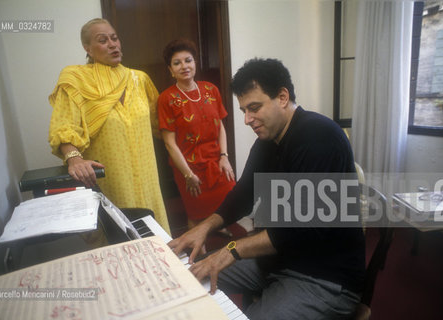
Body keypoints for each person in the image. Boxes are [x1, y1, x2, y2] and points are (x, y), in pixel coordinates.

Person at [169, 58, 365, 319]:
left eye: (254, 108)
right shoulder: (268, 140)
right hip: (280, 260)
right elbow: (243, 195)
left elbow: (298, 230)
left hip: (323, 276)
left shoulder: (320, 137)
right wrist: (204, 228)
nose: (248, 119)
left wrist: (231, 250)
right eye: (243, 111)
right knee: (190, 276)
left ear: (282, 97)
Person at [48, 18, 170, 233]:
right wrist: (73, 159)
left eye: (114, 38)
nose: (113, 44)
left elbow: (162, 124)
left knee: (155, 238)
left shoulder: (139, 79)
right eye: (103, 40)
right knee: (121, 242)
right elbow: (64, 125)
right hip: (112, 180)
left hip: (148, 178)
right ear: (87, 48)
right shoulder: (76, 79)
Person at [158, 39, 236, 229]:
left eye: (188, 60)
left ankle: (221, 235)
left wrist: (224, 157)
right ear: (170, 69)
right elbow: (169, 143)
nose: (184, 66)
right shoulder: (166, 99)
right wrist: (187, 174)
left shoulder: (211, 90)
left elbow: (220, 126)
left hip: (216, 162)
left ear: (195, 63)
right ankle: (197, 255)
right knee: (196, 214)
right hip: (189, 167)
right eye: (177, 63)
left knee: (229, 204)